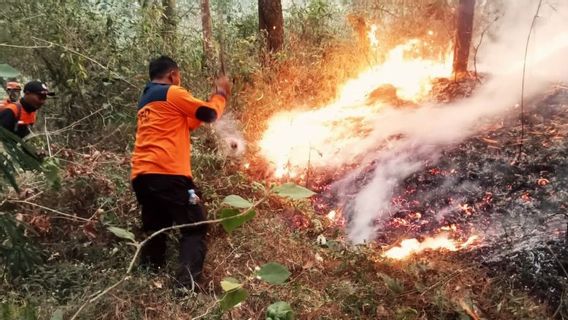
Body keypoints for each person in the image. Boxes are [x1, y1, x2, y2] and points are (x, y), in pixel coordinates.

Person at [131, 55, 230, 287]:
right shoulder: (171, 92)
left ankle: (149, 276)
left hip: (142, 177)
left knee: (157, 228)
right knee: (195, 226)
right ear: (172, 75)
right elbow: (209, 114)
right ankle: (186, 288)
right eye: (179, 76)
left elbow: (191, 121)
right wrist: (221, 95)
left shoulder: (146, 100)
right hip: (169, 174)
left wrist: (212, 100)